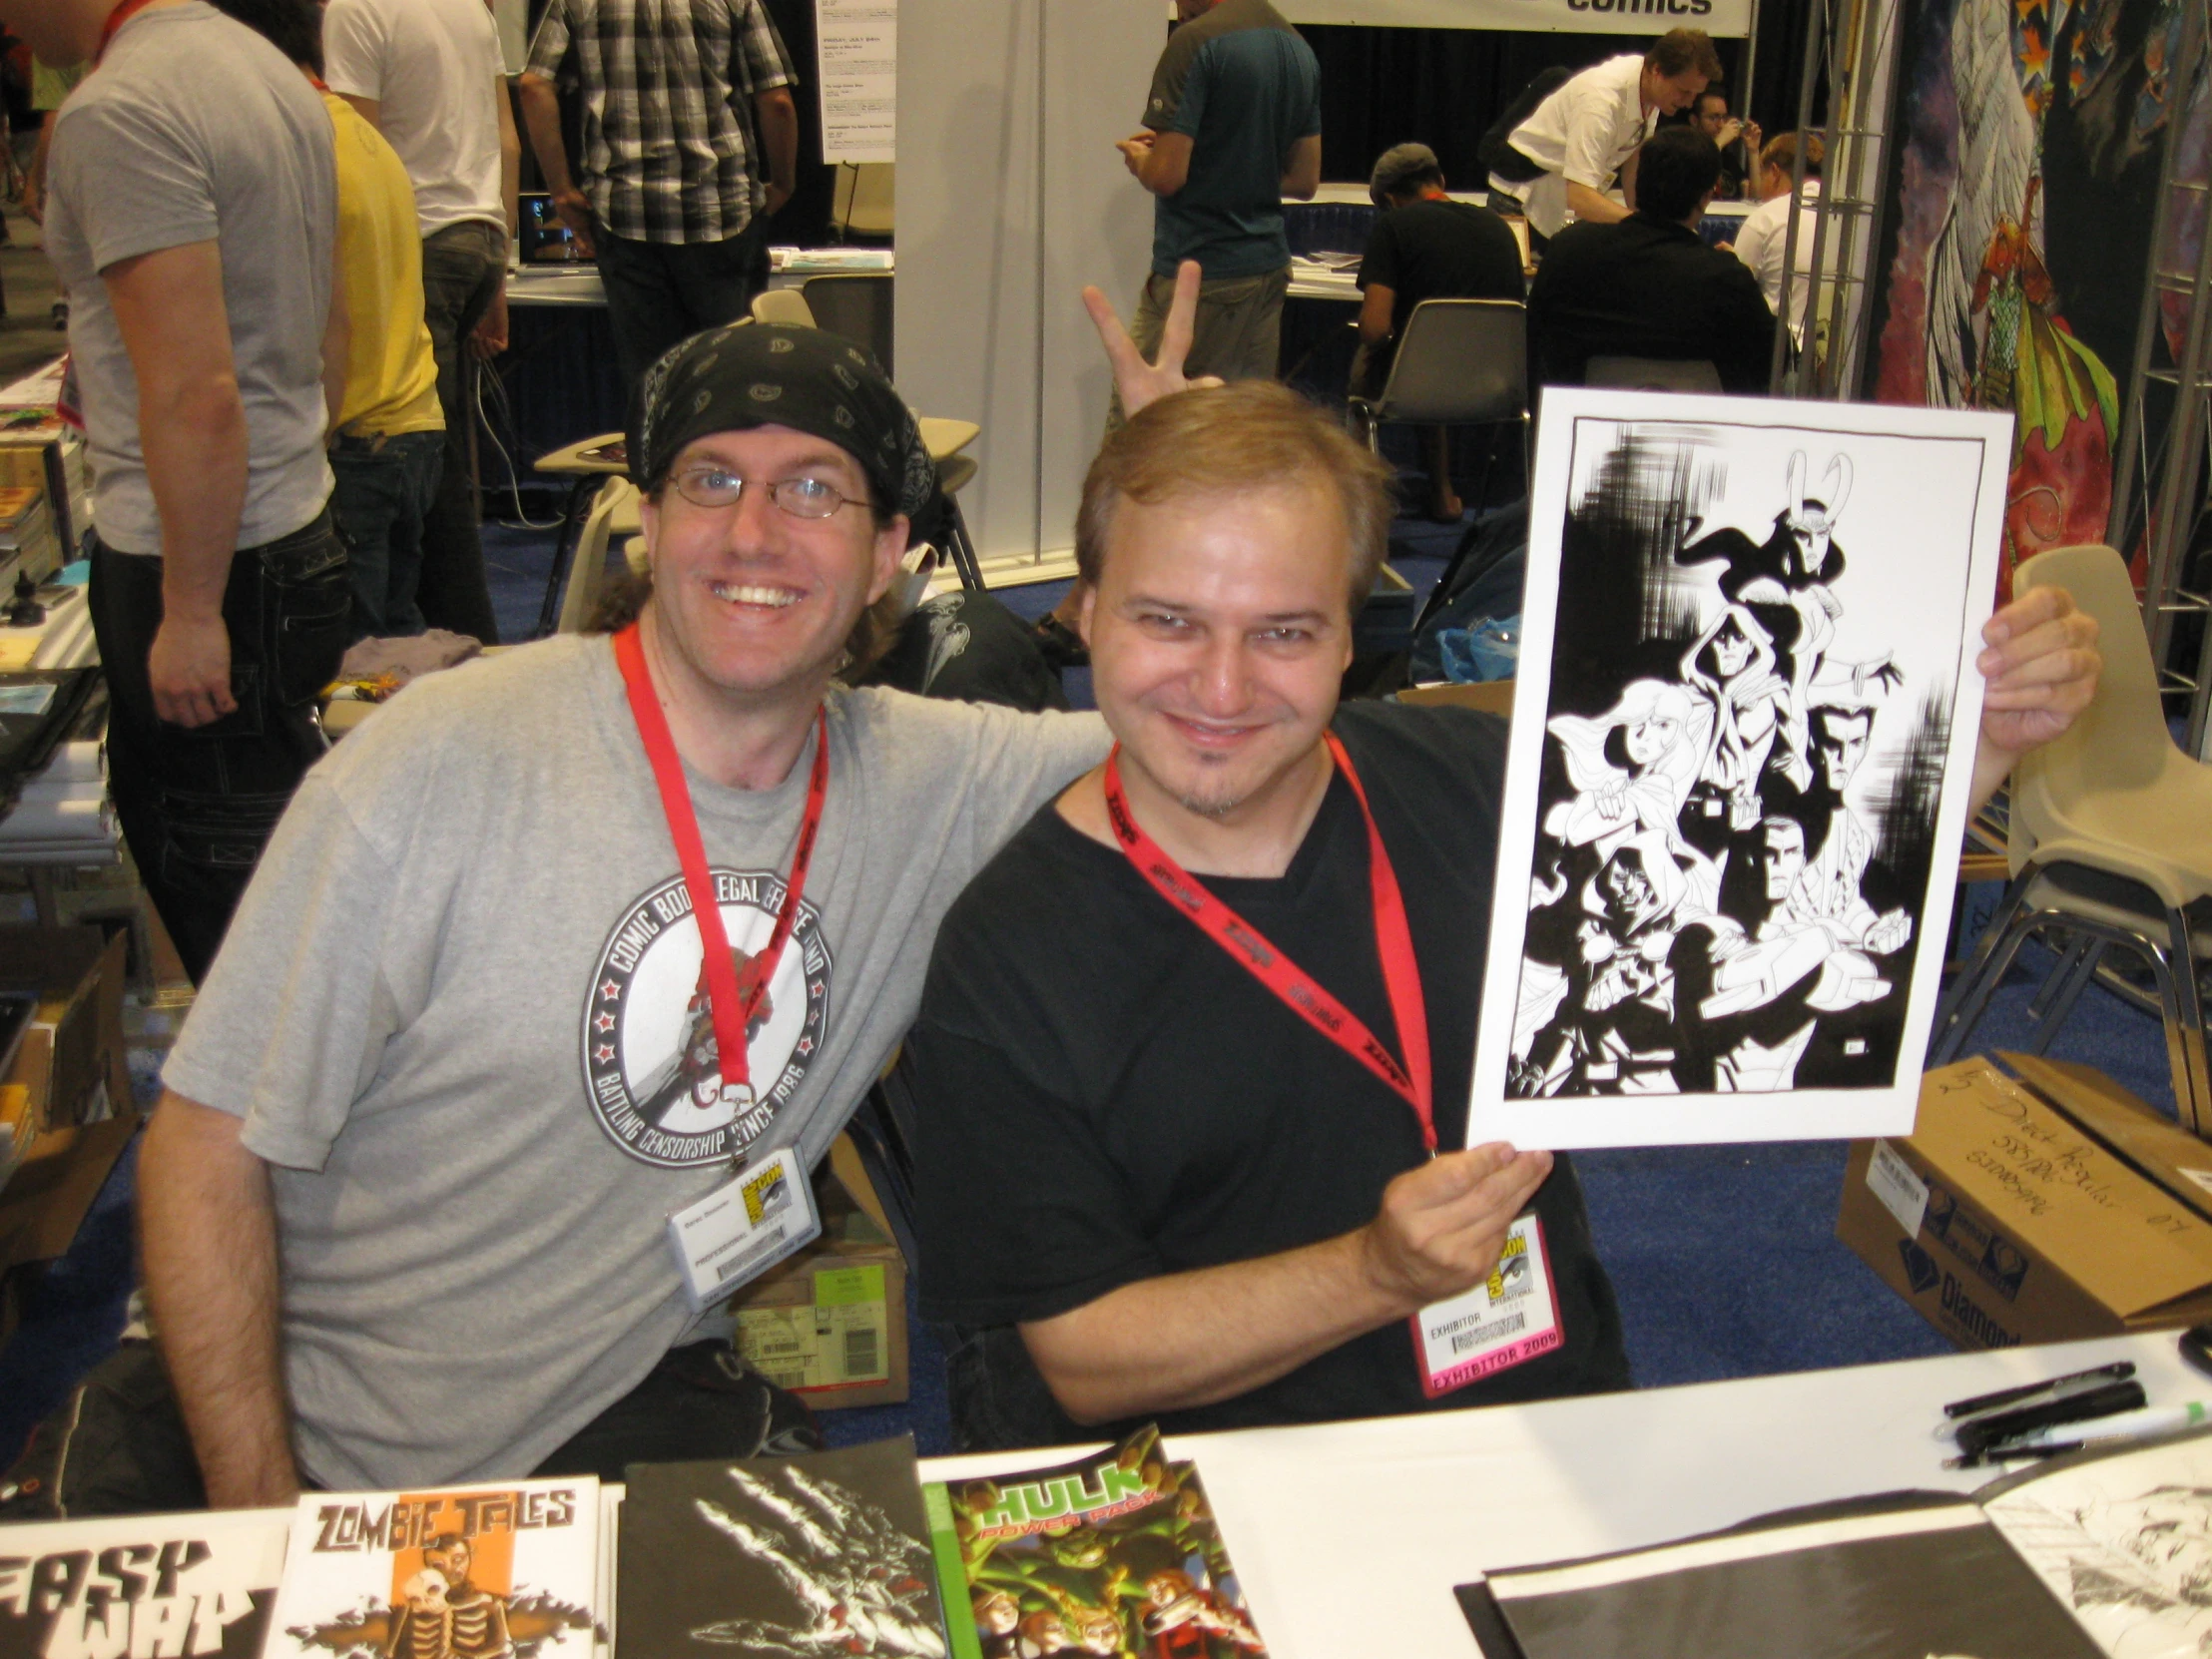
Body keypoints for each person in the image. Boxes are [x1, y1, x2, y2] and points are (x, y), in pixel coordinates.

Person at [907, 366, 2101, 1451]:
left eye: (1282, 631)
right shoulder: (1007, 958)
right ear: (1082, 610)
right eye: (1168, 620)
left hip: (1540, 1410)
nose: (1220, 688)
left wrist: (1972, 751)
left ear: (1348, 639)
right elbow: (1080, 1358)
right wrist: (1372, 1276)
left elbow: (1770, 917)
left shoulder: (1478, 788)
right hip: (1232, 1486)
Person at [118, 321, 1116, 1511]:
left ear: (888, 548)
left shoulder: (931, 781)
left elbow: (1209, 727)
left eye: (812, 489)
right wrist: (263, 1529)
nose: (754, 532)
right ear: (648, 518)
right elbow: (202, 1143)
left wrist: (1170, 488)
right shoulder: (443, 761)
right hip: (321, 1439)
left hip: (625, 1387)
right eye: (710, 481)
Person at [13, 0, 348, 988]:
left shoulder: (122, 109)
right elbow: (326, 332)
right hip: (282, 521)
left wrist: (192, 609)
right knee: (281, 853)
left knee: (220, 874)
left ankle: (271, 1125)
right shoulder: (253, 64)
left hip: (207, 556)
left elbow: (197, 396)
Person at [212, 0, 445, 642]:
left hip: (359, 437)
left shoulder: (297, 146)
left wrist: (305, 459)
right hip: (410, 421)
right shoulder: (359, 135)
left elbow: (330, 328)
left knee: (350, 661)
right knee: (395, 645)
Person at [323, 0, 520, 645]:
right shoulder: (468, 8)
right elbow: (506, 140)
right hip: (478, 235)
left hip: (419, 242)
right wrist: (502, 267)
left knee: (415, 466)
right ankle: (459, 651)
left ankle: (462, 653)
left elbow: (355, 159)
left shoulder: (356, 11)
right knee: (434, 458)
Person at [517, 0, 801, 392]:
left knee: (653, 389)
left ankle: (656, 453)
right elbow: (777, 101)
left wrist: (562, 191)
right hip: (721, 214)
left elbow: (534, 86)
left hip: (626, 219)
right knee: (734, 383)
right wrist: (783, 183)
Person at [1115, 0, 1321, 394]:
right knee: (1236, 434)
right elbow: (1303, 179)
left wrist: (1143, 159)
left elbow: (1166, 177)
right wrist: (1212, 158)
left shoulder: (1195, 41)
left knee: (1146, 432)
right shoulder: (1298, 48)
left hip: (1201, 274)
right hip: (1267, 274)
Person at [1526, 126, 1778, 394]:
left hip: (1579, 422)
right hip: (1693, 425)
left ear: (1637, 181)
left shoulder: (1569, 250)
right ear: (1706, 197)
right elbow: (1773, 360)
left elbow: (1533, 339)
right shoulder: (1725, 276)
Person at [1353, 141, 1524, 520]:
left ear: (1391, 200)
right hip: (1500, 389)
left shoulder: (1394, 227)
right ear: (1441, 180)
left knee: (1382, 363)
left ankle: (1360, 506)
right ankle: (1443, 494)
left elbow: (1374, 328)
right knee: (1429, 359)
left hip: (1419, 387)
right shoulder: (1499, 227)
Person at [1487, 28, 1722, 243]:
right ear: (1657, 70)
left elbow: (1634, 162)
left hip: (1555, 205)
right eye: (1684, 91)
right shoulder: (1600, 100)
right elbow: (1579, 197)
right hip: (1520, 203)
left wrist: (1648, 221)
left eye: (1695, 94)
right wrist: (1649, 227)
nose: (1689, 102)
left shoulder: (1649, 88)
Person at [1730, 131, 1828, 348]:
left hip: (1780, 353)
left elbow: (1734, 293)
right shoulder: (1845, 217)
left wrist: (1728, 263)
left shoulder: (1767, 217)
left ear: (1774, 172)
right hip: (1834, 355)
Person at [1687, 88, 1758, 201]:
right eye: (1713, 118)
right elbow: (1692, 183)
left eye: (1723, 117)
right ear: (1694, 120)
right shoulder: (1684, 152)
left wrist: (1753, 151)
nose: (1720, 125)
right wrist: (1719, 142)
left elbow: (1755, 199)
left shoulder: (1727, 159)